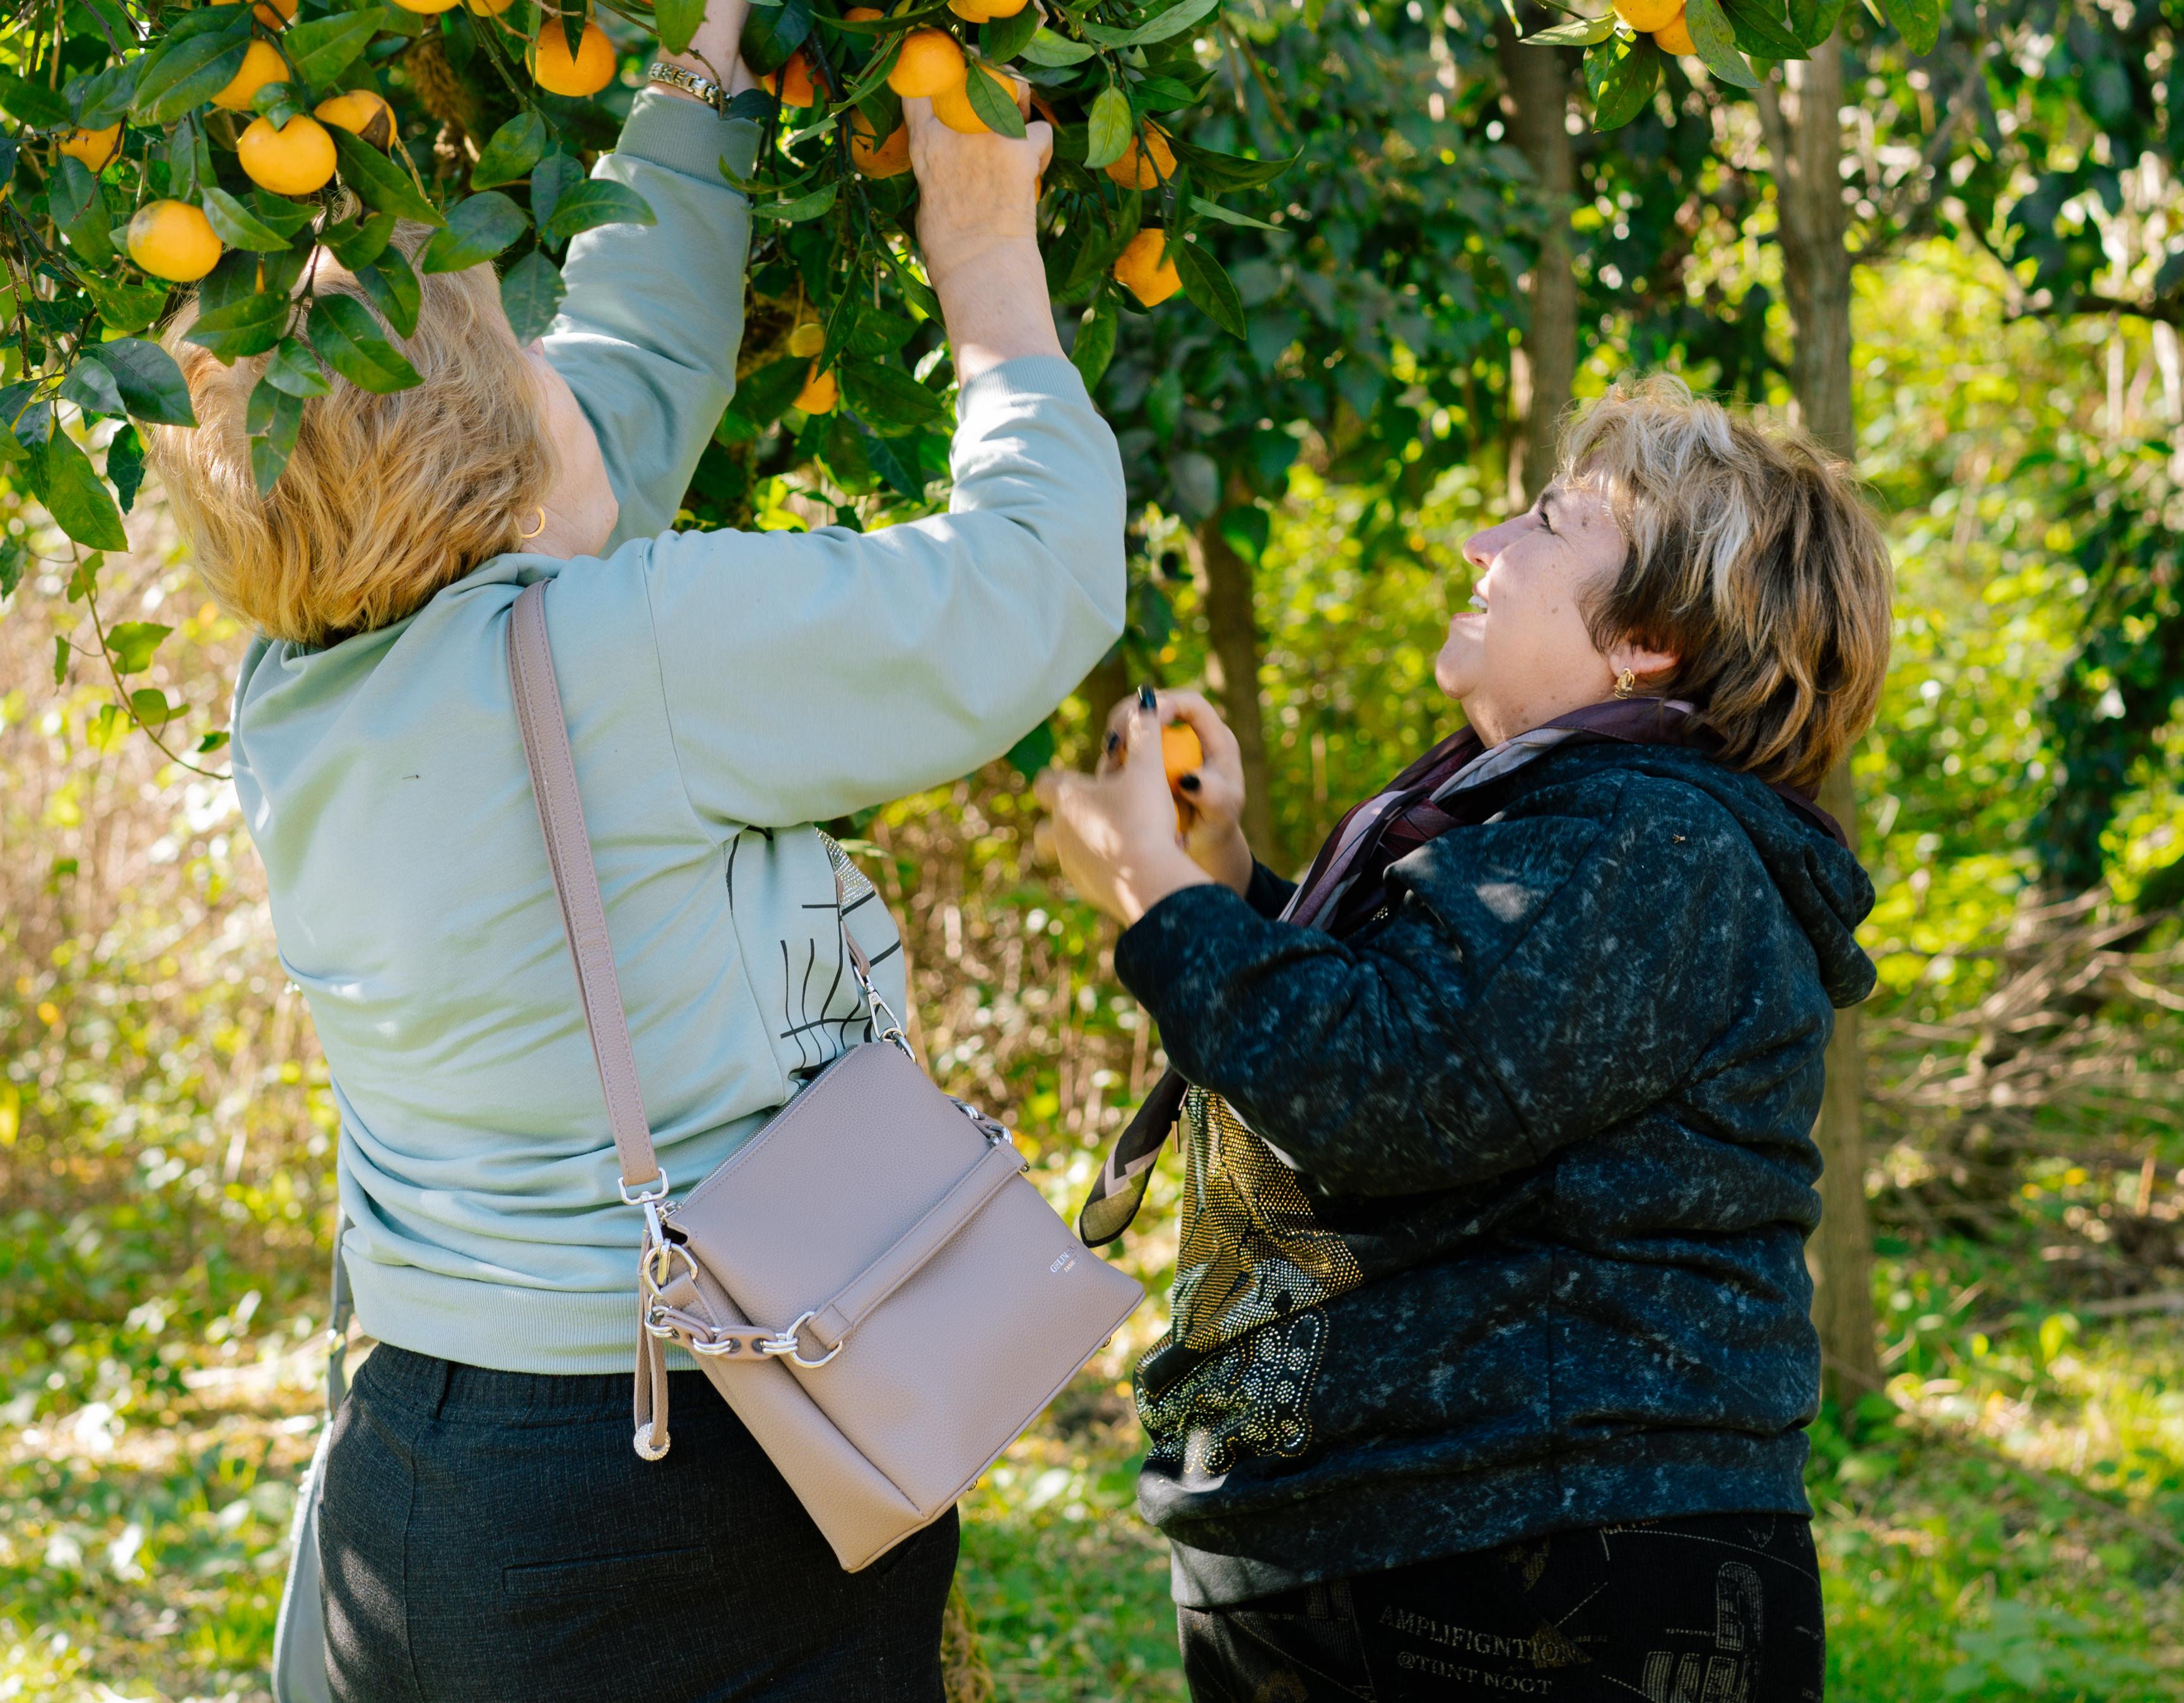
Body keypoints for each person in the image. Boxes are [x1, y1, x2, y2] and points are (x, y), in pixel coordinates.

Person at [146, 8, 1119, 1694]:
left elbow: (635, 374)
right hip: (680, 1457)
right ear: (490, 462)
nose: (561, 354)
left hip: (427, 1456)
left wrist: (694, 80)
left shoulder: (308, 685)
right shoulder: (626, 657)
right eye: (521, 348)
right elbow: (1032, 586)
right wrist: (983, 246)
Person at [1035, 375, 1891, 1702]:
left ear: (1647, 637)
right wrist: (1229, 882)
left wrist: (1164, 903)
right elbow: (1438, 1037)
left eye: (1545, 524)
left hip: (1542, 1573)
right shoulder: (1549, 838)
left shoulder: (1653, 850)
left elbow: (1384, 1093)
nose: (1481, 547)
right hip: (1420, 1552)